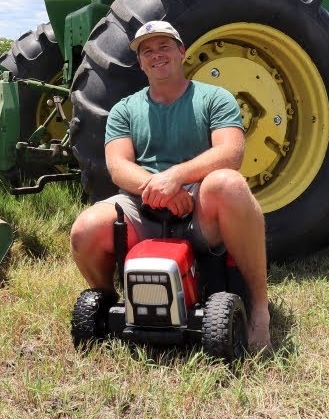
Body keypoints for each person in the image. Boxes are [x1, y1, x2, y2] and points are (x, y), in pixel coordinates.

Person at [69, 20, 272, 352]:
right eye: (147, 51)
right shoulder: (124, 109)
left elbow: (231, 153)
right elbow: (118, 167)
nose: (156, 55)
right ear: (140, 62)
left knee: (229, 184)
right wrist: (161, 189)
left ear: (182, 51)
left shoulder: (214, 98)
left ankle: (260, 310)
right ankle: (109, 306)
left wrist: (176, 177)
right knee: (84, 229)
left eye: (164, 46)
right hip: (143, 200)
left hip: (198, 202)